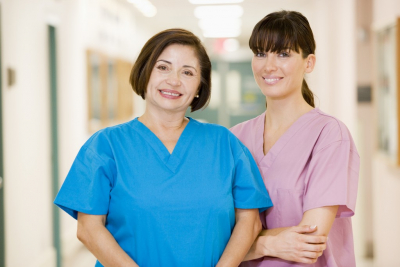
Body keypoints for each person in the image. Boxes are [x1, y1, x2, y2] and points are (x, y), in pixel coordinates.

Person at [54, 28, 273, 267]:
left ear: (200, 85)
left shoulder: (225, 143)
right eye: (163, 67)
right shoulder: (106, 146)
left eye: (187, 72)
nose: (174, 80)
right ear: (145, 72)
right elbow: (88, 229)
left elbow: (249, 221)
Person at [230, 11, 360, 267]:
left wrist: (245, 244)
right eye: (260, 53)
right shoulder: (235, 137)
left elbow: (309, 241)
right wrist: (270, 243)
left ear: (309, 63)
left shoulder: (329, 135)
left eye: (283, 53)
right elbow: (216, 237)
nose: (268, 66)